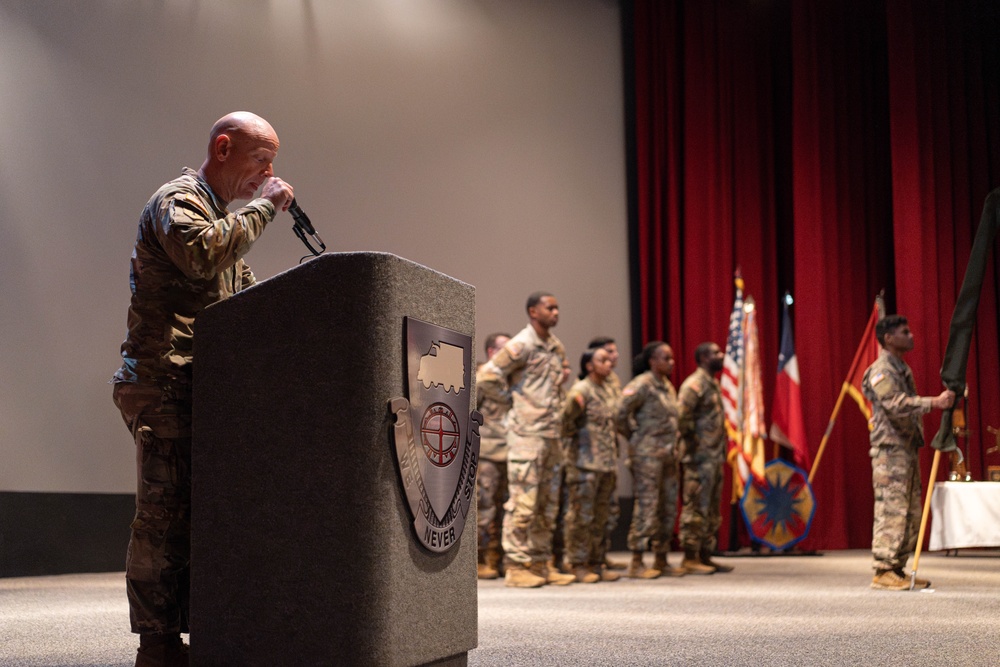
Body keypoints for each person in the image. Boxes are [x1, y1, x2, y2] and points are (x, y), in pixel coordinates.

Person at [111, 112, 294, 667]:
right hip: (161, 382)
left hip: (200, 387)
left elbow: (242, 302)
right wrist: (265, 207)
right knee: (163, 516)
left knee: (196, 514)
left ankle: (193, 629)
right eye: (261, 160)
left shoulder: (218, 217)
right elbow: (202, 254)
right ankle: (157, 643)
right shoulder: (180, 201)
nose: (269, 173)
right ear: (222, 148)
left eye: (273, 165)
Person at [478, 292, 575, 587]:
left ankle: (540, 562)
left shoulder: (554, 346)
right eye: (550, 307)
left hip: (550, 434)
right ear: (534, 311)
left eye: (558, 307)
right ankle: (517, 566)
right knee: (523, 501)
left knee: (547, 504)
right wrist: (513, 401)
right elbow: (487, 376)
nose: (556, 312)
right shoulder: (521, 343)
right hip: (526, 436)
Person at [862, 315, 954, 591]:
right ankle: (883, 569)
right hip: (890, 451)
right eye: (905, 331)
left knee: (909, 511)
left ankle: (897, 567)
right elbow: (894, 403)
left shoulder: (900, 367)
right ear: (888, 338)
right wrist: (934, 403)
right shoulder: (881, 370)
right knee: (892, 509)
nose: (911, 335)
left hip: (905, 447)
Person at [617, 341, 685, 579]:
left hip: (668, 455)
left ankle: (661, 558)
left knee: (667, 507)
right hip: (646, 456)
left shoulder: (667, 386)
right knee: (647, 506)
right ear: (652, 361)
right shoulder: (642, 384)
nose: (671, 362)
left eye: (671, 357)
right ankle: (636, 560)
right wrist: (634, 437)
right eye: (666, 358)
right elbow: (619, 414)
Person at [561, 348, 622, 583]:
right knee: (580, 517)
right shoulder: (580, 391)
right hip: (584, 465)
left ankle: (597, 562)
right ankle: (577, 563)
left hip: (606, 464)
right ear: (589, 365)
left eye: (609, 360)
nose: (609, 364)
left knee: (601, 517)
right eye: (602, 360)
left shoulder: (607, 391)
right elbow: (566, 424)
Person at [676, 342, 732, 575]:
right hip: (698, 457)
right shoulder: (695, 384)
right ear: (703, 357)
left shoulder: (712, 384)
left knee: (710, 509)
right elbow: (681, 417)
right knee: (696, 507)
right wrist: (694, 444)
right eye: (716, 353)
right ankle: (690, 557)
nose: (721, 356)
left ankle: (705, 554)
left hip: (713, 455)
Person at [587, 336, 628, 571]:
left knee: (609, 508)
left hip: (610, 451)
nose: (615, 356)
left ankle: (602, 554)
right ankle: (588, 558)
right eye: (608, 352)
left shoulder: (613, 381)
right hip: (591, 456)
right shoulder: (588, 386)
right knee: (591, 510)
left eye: (615, 351)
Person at [475, 332, 512, 580]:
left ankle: (498, 558)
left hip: (511, 451)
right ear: (491, 352)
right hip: (488, 451)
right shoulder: (482, 378)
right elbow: (471, 413)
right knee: (484, 506)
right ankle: (480, 558)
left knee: (505, 508)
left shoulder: (513, 379)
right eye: (503, 349)